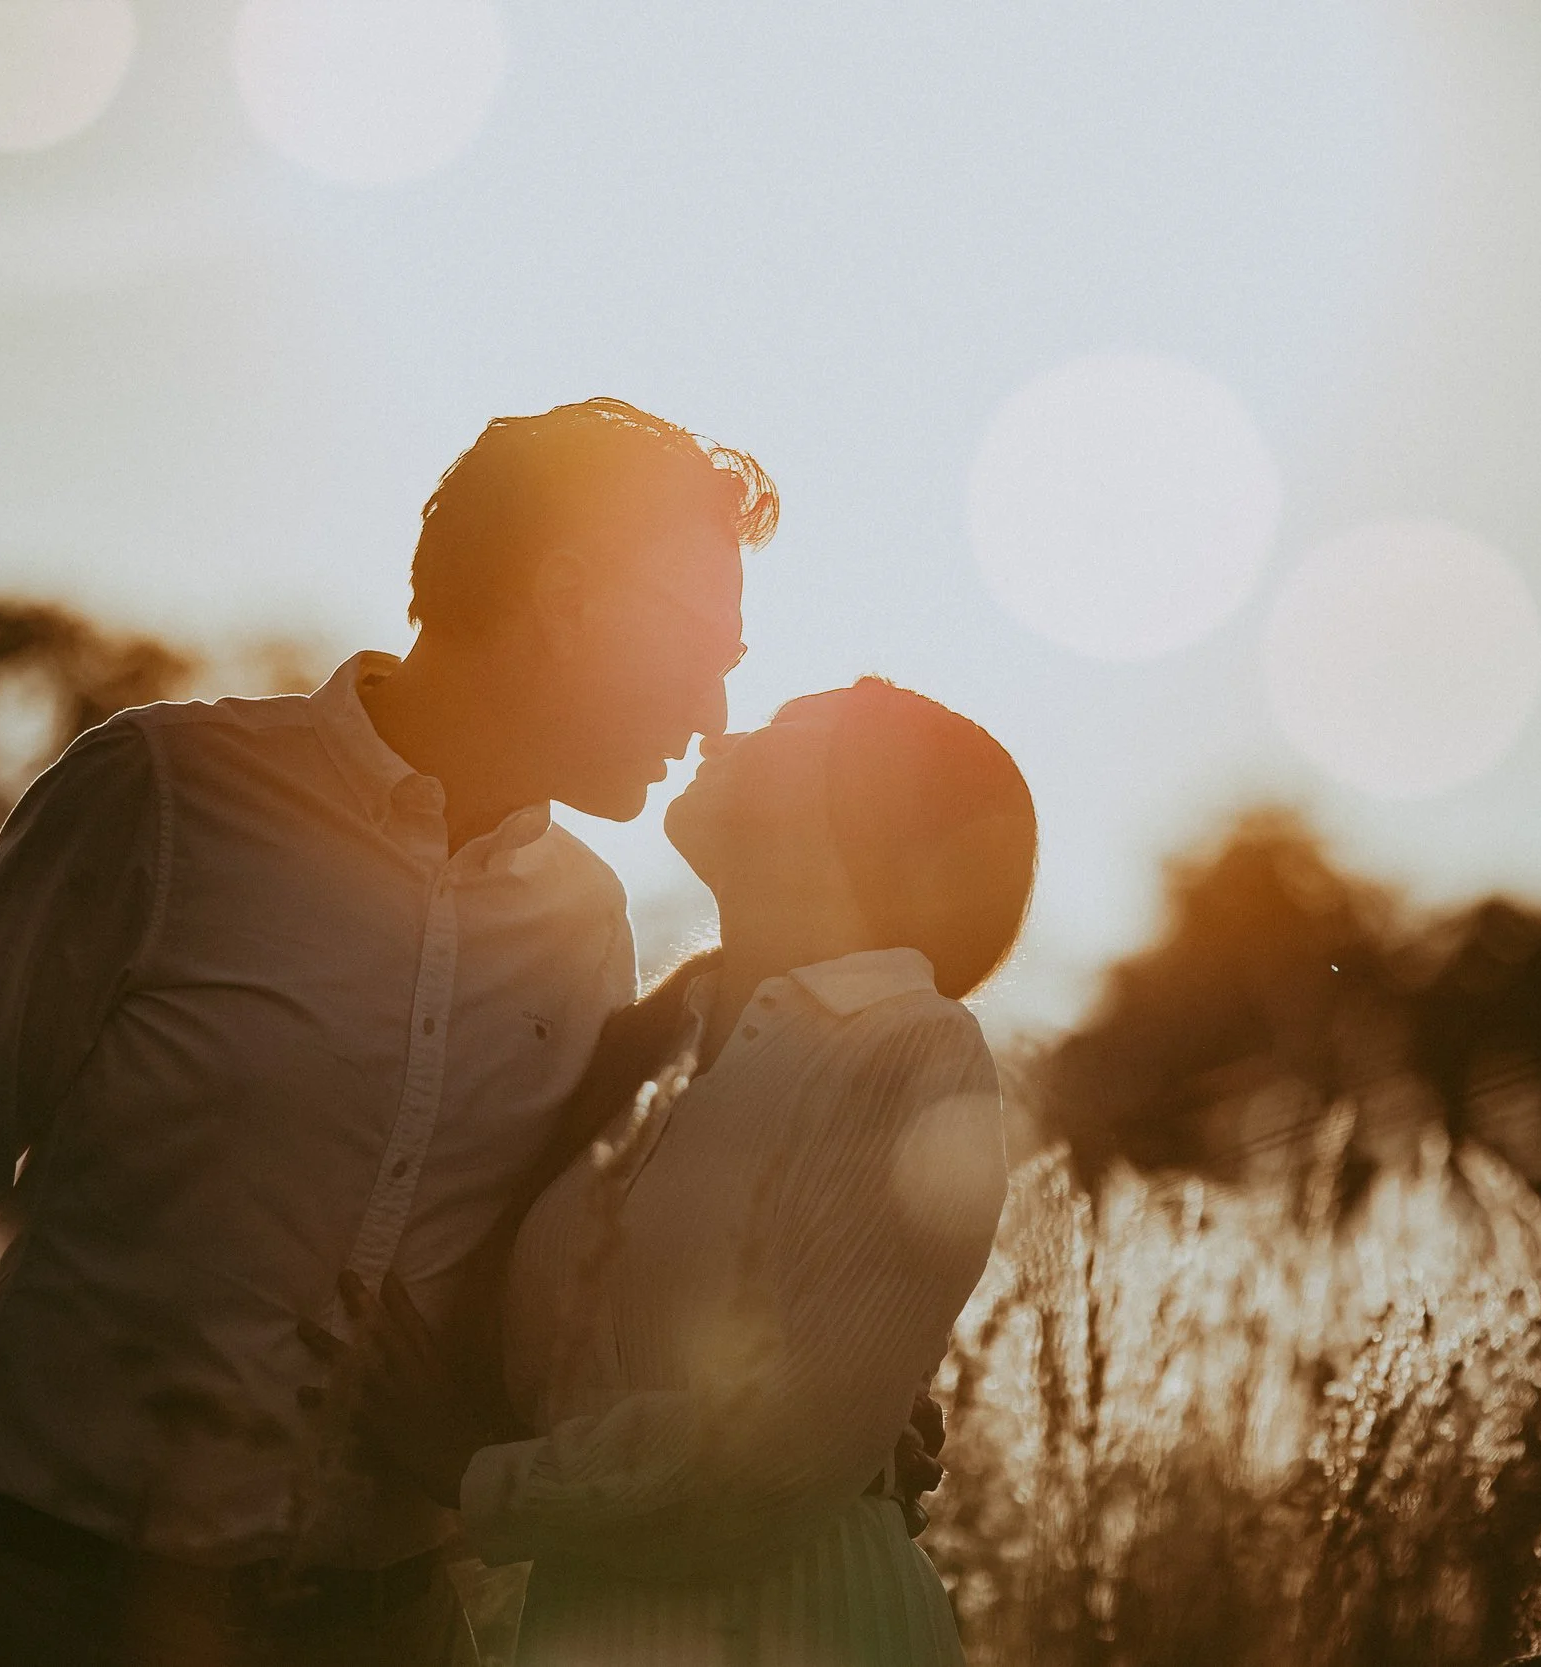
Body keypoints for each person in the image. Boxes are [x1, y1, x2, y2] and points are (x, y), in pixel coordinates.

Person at [0, 399, 955, 1666]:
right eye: (700, 647)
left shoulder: (588, 924)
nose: (718, 710)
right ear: (572, 598)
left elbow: (566, 1285)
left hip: (377, 1631)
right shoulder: (161, 798)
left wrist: (818, 1400)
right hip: (41, 1605)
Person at [337, 677, 1037, 1665]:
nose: (719, 727)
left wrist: (469, 1469)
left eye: (788, 727)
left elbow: (775, 1454)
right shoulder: (644, 1046)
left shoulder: (910, 1045)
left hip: (801, 1623)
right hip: (588, 1623)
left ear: (867, 805)